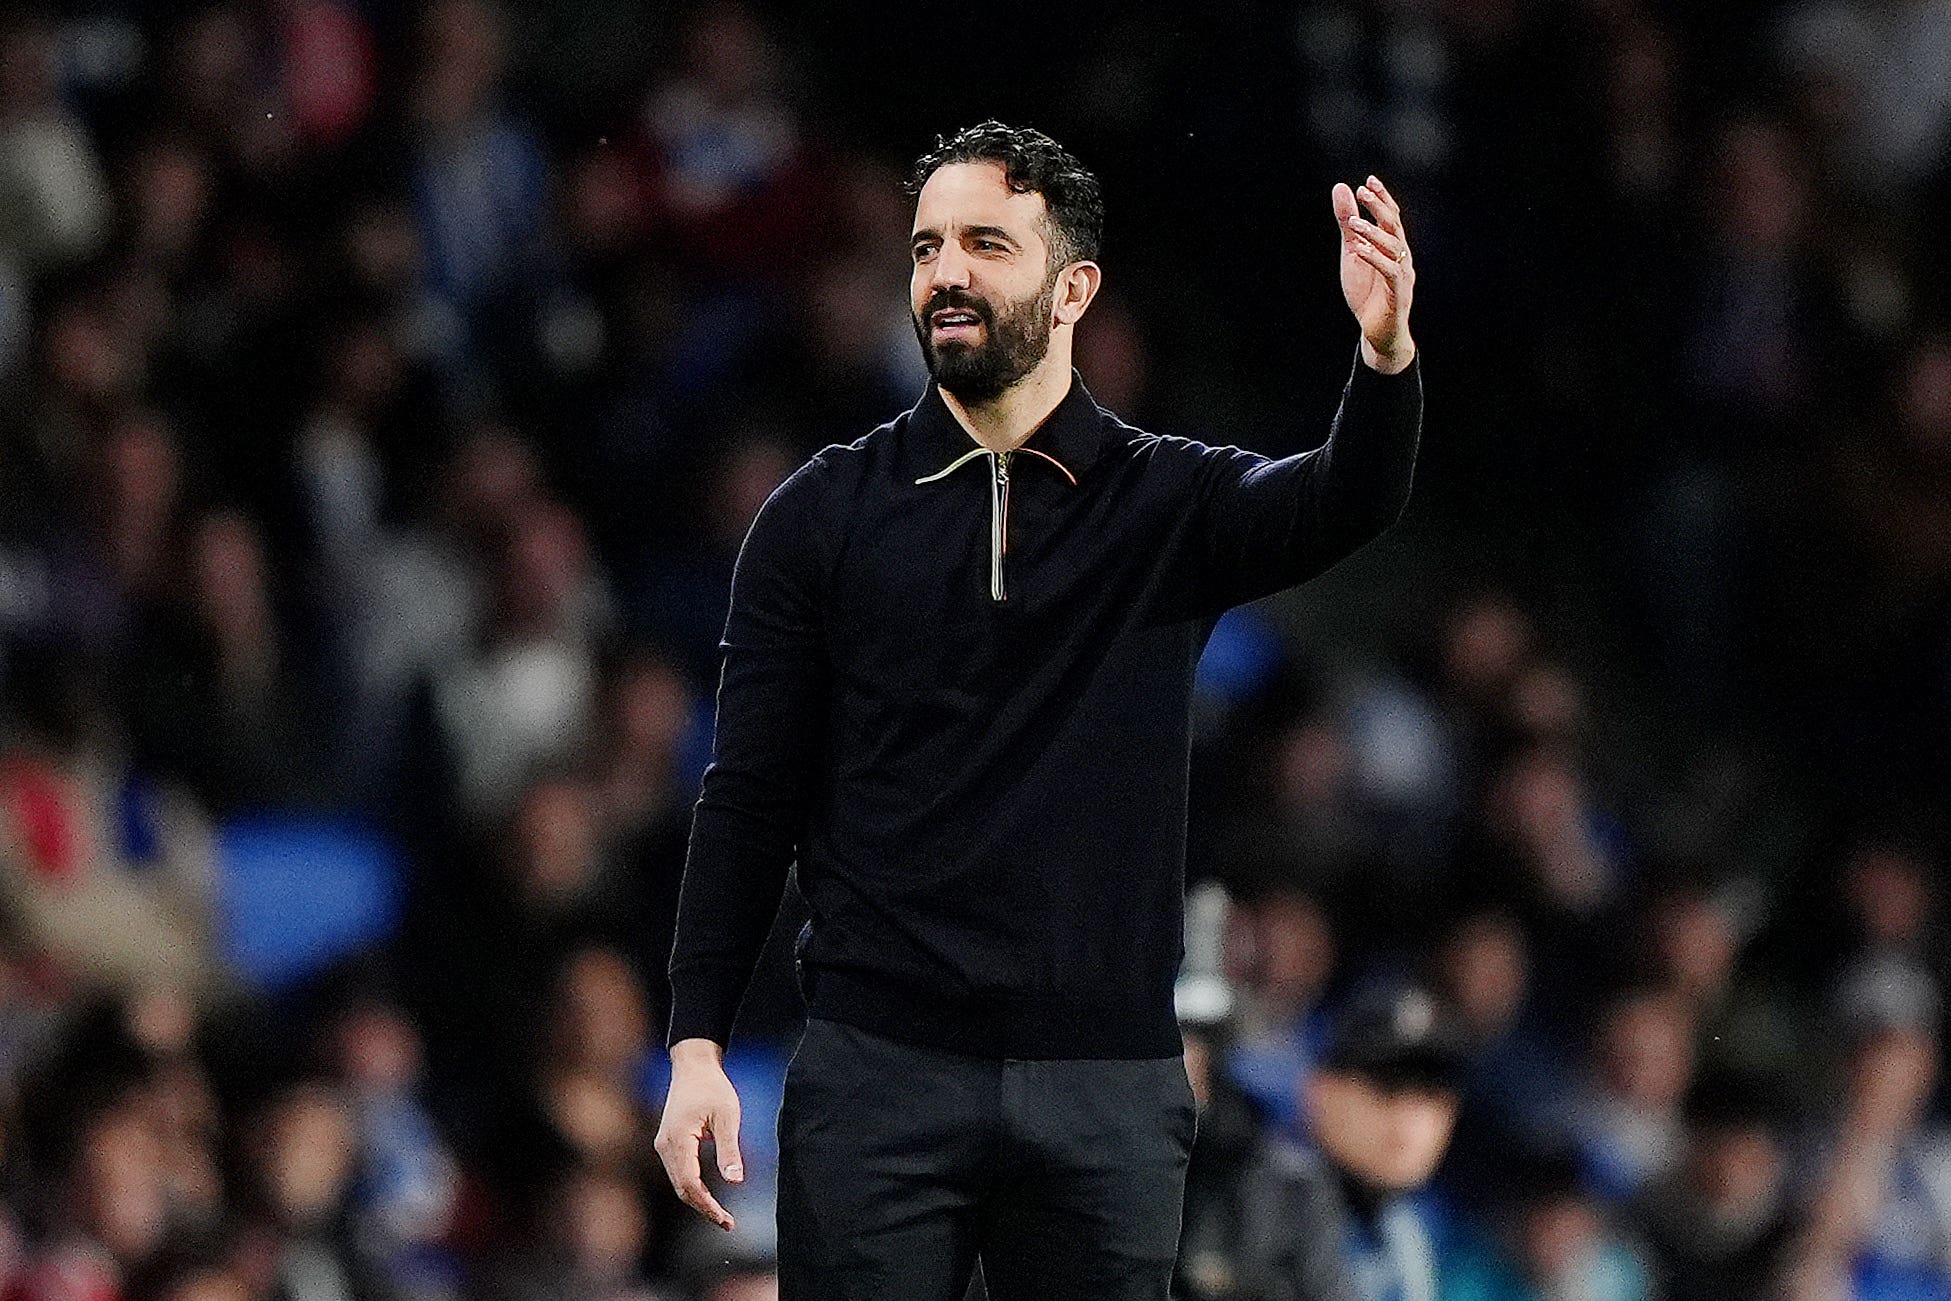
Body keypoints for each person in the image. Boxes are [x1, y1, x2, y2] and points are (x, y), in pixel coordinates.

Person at [653, 119, 1423, 1299]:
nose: (945, 272)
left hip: (1103, 1084)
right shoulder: (818, 517)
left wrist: (1382, 354)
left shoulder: (1167, 500)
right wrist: (697, 1038)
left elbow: (1344, 500)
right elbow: (749, 791)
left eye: (983, 244)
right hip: (878, 1074)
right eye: (925, 248)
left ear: (1073, 289)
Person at [1179, 982, 1464, 1301]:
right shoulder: (1255, 1192)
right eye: (1387, 1087)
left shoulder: (1407, 1232)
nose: (1409, 1117)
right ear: (1320, 1090)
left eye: (1431, 1094)